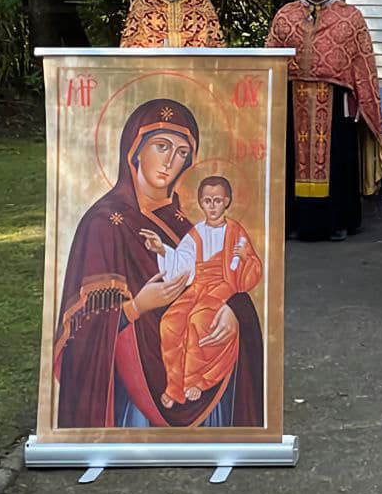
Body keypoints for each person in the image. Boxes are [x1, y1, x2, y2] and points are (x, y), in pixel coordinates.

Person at [53, 98, 264, 427]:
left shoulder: (183, 222)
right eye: (162, 146)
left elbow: (218, 276)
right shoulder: (104, 223)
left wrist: (234, 311)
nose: (171, 161)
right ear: (135, 149)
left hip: (204, 350)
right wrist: (136, 307)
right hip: (133, 384)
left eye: (182, 153)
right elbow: (80, 331)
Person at [265, 0, 382, 241]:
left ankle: (338, 222)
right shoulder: (286, 14)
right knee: (293, 161)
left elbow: (363, 62)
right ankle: (294, 223)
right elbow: (270, 58)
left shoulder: (350, 16)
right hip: (293, 100)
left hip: (336, 99)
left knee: (339, 161)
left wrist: (363, 101)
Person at [141, 176, 262, 410]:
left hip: (223, 285)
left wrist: (246, 258)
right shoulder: (196, 232)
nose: (213, 205)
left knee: (199, 320)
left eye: (218, 200)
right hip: (198, 286)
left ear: (227, 201)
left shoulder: (235, 231)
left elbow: (251, 270)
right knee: (170, 322)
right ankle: (174, 386)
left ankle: (195, 380)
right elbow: (183, 263)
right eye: (207, 201)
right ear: (200, 203)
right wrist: (162, 250)